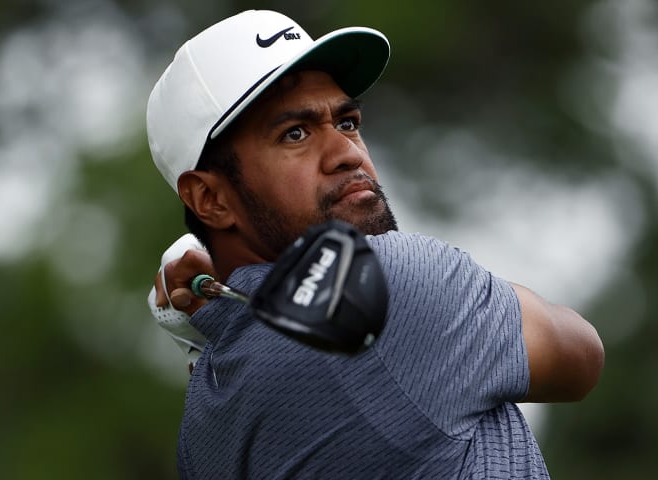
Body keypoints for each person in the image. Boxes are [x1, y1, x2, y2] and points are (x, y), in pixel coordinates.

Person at [146, 9, 604, 479]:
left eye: (347, 122)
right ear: (211, 198)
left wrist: (213, 325)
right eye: (295, 134)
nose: (348, 153)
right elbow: (580, 354)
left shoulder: (205, 423)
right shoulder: (392, 283)